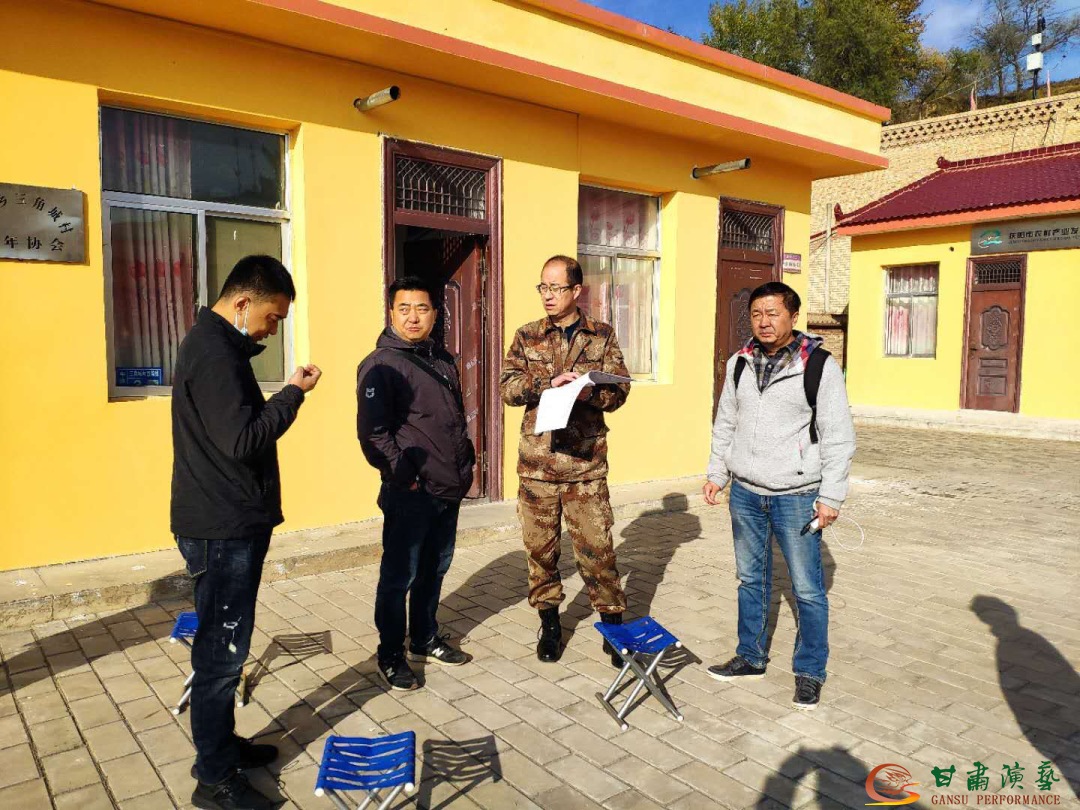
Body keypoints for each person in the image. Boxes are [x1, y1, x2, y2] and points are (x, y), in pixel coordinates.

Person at [171, 255, 321, 810]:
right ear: (241, 303)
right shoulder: (214, 354)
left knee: (226, 647)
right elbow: (242, 440)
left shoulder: (219, 347)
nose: (272, 329)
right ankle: (213, 777)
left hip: (227, 520)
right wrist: (293, 394)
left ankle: (221, 746)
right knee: (222, 655)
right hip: (222, 527)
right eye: (271, 317)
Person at [703, 281, 855, 710]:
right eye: (756, 314)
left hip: (797, 495)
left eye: (773, 313)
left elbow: (838, 435)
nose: (764, 322)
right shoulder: (739, 363)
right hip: (745, 494)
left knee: (807, 590)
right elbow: (726, 422)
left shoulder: (819, 366)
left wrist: (831, 496)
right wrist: (718, 472)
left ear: (793, 316)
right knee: (750, 580)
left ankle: (810, 672)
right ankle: (750, 657)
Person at [500, 254, 630, 667]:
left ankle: (613, 628)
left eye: (556, 288)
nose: (548, 295)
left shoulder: (601, 336)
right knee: (540, 553)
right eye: (543, 287)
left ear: (577, 290)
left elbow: (619, 393)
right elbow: (508, 387)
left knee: (598, 552)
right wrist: (546, 383)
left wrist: (590, 392)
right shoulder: (527, 335)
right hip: (537, 467)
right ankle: (551, 626)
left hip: (584, 467)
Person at [357, 276, 474, 692]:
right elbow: (374, 435)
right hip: (411, 493)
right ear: (391, 313)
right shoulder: (381, 365)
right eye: (404, 309)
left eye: (422, 308)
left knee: (434, 569)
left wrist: (465, 465)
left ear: (435, 314)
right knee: (399, 576)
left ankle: (424, 637)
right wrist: (404, 477)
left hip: (447, 487)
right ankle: (390, 654)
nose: (413, 317)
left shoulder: (441, 360)